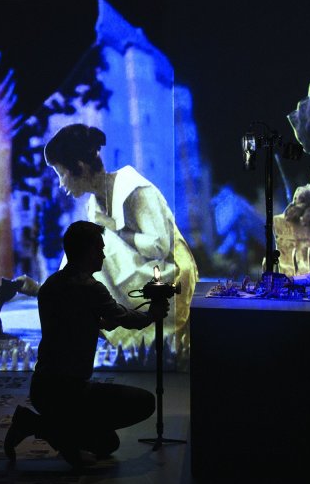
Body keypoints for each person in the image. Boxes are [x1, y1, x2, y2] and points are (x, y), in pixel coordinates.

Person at [3, 220, 168, 469]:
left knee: (107, 444)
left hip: (42, 389)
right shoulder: (91, 288)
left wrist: (98, 322)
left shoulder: (52, 284)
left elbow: (68, 325)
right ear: (87, 251)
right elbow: (127, 319)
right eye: (99, 248)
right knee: (145, 402)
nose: (103, 254)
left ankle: (57, 430)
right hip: (69, 392)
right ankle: (37, 425)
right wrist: (152, 315)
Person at [38, 124, 198, 360]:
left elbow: (160, 246)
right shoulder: (95, 205)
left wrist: (120, 233)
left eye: (61, 174)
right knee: (86, 248)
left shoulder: (134, 190)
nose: (61, 183)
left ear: (80, 168)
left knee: (99, 244)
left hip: (168, 274)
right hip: (136, 274)